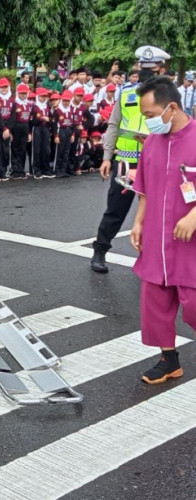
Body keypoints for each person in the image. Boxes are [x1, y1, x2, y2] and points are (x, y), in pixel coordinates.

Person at [129, 76, 196, 384]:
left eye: (151, 116)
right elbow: (144, 188)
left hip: (190, 242)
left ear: (172, 107)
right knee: (155, 302)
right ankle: (169, 360)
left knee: (193, 306)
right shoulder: (153, 142)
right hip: (158, 236)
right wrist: (139, 222)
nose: (148, 122)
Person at [90, 45, 170, 273]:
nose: (146, 74)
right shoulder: (125, 92)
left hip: (156, 161)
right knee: (115, 209)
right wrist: (106, 157)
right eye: (143, 69)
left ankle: (152, 258)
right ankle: (100, 250)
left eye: (151, 70)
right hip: (125, 161)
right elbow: (114, 125)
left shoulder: (167, 96)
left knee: (155, 212)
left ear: (160, 70)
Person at [0, 77, 15, 181]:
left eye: (5, 87)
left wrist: (8, 129)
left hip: (7, 127)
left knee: (5, 150)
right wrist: (4, 128)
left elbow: (13, 116)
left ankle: (3, 171)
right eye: (2, 87)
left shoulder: (12, 100)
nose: (4, 89)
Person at [9, 83, 32, 179]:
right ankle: (14, 170)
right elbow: (11, 118)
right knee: (15, 148)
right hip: (16, 127)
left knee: (23, 149)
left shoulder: (29, 104)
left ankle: (21, 169)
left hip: (25, 127)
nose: (23, 95)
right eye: (21, 93)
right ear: (18, 93)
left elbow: (30, 119)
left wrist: (29, 132)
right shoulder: (14, 103)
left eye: (25, 93)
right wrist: (10, 130)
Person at [31, 87, 52, 178]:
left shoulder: (47, 106)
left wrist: (49, 120)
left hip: (45, 129)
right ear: (38, 96)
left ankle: (46, 169)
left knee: (46, 149)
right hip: (37, 128)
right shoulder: (34, 107)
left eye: (45, 96)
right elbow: (32, 121)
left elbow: (51, 119)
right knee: (37, 150)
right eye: (41, 96)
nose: (43, 98)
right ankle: (36, 169)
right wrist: (41, 119)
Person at [53, 91, 75, 178]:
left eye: (68, 101)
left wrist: (73, 134)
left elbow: (73, 123)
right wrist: (56, 135)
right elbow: (54, 124)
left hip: (68, 130)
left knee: (66, 152)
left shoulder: (71, 110)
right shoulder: (58, 111)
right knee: (59, 151)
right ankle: (57, 170)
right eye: (64, 101)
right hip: (60, 131)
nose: (66, 102)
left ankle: (63, 169)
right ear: (62, 100)